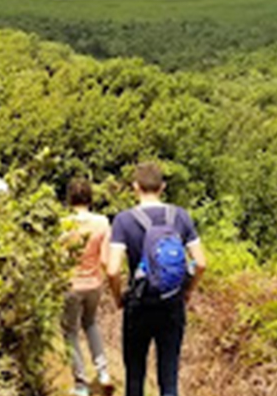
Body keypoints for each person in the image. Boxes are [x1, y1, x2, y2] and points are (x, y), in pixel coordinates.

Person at [104, 162, 207, 396]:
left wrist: (119, 297)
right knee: (168, 378)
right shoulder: (181, 216)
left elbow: (112, 270)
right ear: (163, 187)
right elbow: (201, 263)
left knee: (135, 376)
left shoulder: (123, 220)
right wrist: (188, 292)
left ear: (135, 187)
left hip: (138, 305)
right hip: (172, 304)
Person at [60, 178, 114, 396]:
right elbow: (104, 260)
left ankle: (81, 384)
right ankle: (103, 373)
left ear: (69, 197)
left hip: (72, 284)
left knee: (70, 332)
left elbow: (60, 259)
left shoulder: (64, 224)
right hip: (94, 284)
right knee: (91, 324)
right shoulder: (102, 222)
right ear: (90, 197)